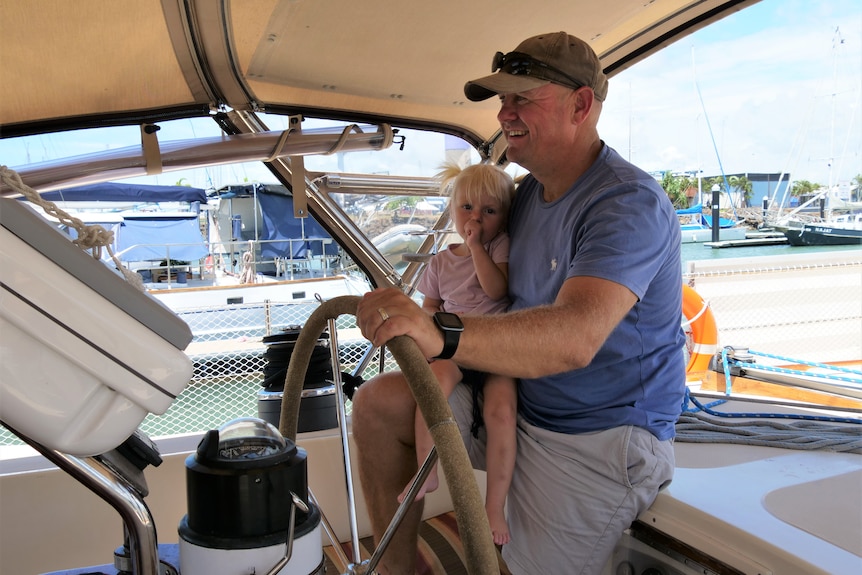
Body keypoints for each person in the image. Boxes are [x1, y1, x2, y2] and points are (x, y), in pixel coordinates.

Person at [352, 31, 685, 575]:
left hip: (596, 435)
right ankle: (396, 569)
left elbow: (574, 337)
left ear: (581, 104)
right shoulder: (524, 196)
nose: (505, 113)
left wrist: (444, 332)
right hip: (517, 405)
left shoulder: (627, 203)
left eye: (521, 98)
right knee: (376, 406)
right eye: (502, 100)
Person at [398, 163, 517, 546]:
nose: (476, 218)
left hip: (496, 352)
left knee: (501, 413)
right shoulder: (439, 261)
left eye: (489, 210)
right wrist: (430, 326)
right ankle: (425, 470)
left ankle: (494, 506)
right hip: (455, 348)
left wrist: (477, 247)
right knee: (432, 386)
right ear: (452, 210)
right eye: (467, 208)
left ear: (504, 217)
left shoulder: (499, 247)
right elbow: (429, 306)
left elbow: (496, 290)